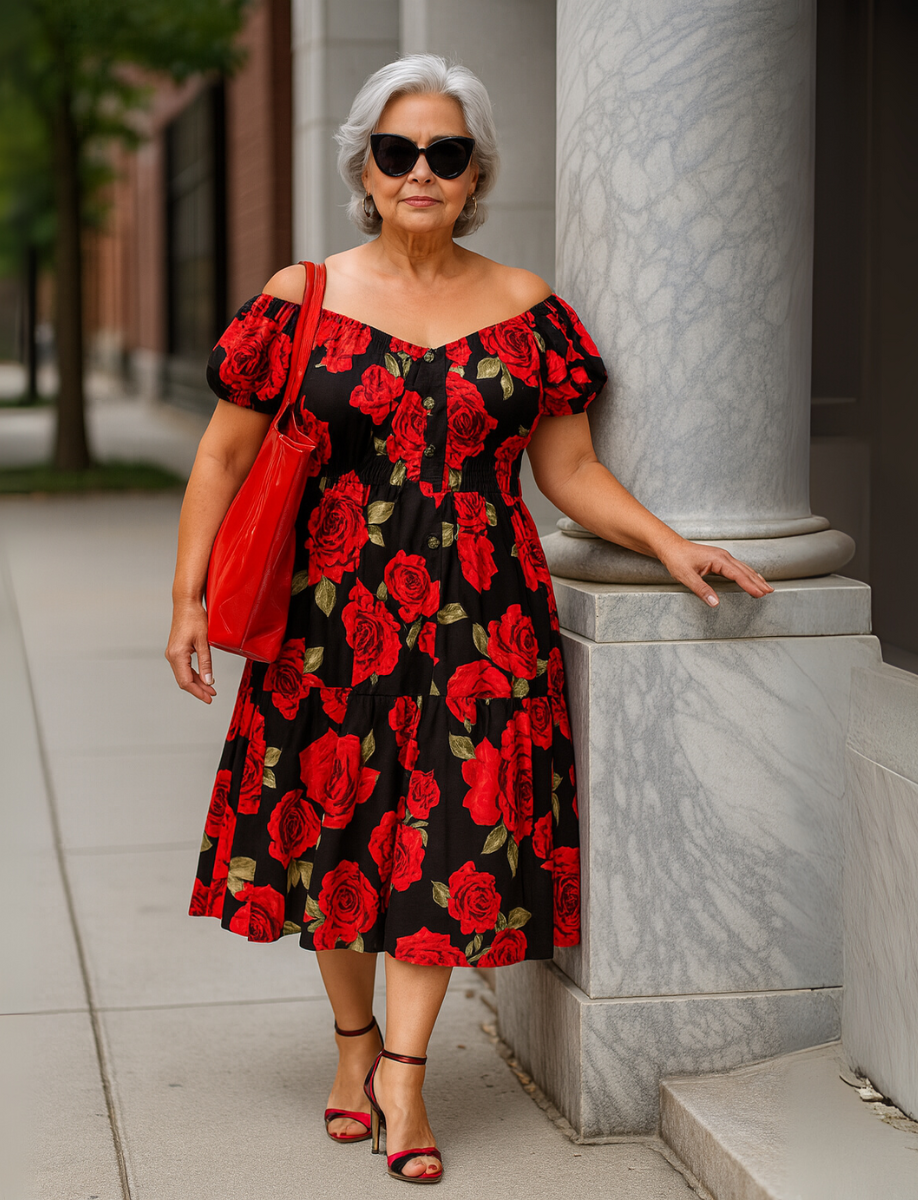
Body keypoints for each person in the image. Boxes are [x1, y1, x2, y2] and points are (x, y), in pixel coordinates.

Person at [166, 53, 771, 1186]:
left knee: (447, 846)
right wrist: (189, 594)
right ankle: (353, 1051)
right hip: (327, 616)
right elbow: (223, 454)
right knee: (332, 836)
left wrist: (669, 541)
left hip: (482, 623)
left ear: (476, 169)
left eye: (447, 153)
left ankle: (403, 1073)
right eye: (398, 152)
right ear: (366, 166)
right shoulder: (302, 300)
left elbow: (571, 468)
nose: (421, 172)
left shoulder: (528, 309)